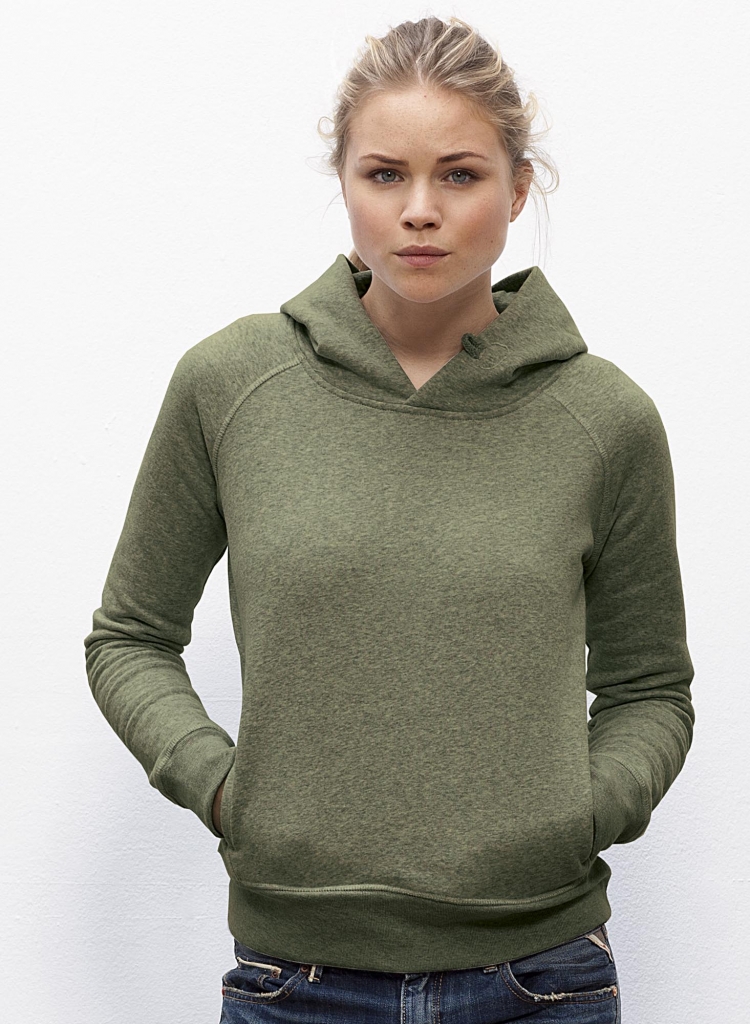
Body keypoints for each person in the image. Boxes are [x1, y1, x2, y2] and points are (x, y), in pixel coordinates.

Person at [83, 15, 695, 1023]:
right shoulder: (232, 385)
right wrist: (231, 794)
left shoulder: (604, 420)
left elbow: (650, 687)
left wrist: (573, 815)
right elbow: (129, 638)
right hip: (295, 981)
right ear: (345, 183)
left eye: (459, 174)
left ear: (518, 189)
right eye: (384, 174)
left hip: (541, 976)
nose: (419, 210)